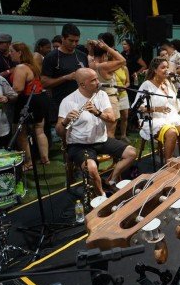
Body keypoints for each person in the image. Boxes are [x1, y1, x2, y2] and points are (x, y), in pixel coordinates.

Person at [56, 68, 137, 197]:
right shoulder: (68, 101)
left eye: (97, 78)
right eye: (93, 80)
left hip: (101, 139)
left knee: (131, 153)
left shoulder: (101, 95)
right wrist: (65, 121)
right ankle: (101, 196)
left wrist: (97, 113)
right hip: (80, 144)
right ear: (82, 84)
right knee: (92, 169)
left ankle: (111, 180)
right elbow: (59, 131)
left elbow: (111, 120)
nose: (98, 82)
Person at [137, 58, 180, 159]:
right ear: (155, 70)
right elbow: (139, 107)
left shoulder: (167, 83)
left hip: (171, 117)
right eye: (163, 67)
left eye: (167, 67)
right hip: (154, 119)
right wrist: (157, 108)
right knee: (171, 132)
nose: (166, 70)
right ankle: (169, 162)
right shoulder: (146, 85)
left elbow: (175, 101)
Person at [10, 42, 50, 169]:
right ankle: (45, 158)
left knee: (21, 133)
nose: (10, 54)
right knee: (39, 130)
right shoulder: (33, 65)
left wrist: (6, 96)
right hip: (39, 98)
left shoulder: (21, 67)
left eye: (12, 51)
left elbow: (18, 88)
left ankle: (28, 162)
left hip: (27, 100)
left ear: (19, 53)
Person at [42, 23, 89, 110]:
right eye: (71, 41)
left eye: (77, 41)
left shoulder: (82, 56)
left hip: (82, 103)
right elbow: (44, 83)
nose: (74, 44)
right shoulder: (52, 57)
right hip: (61, 104)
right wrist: (65, 77)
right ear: (62, 38)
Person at [89, 38, 126, 139]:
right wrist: (107, 47)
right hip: (109, 99)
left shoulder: (90, 64)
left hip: (96, 99)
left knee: (100, 130)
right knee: (110, 131)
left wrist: (92, 48)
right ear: (104, 55)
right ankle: (109, 153)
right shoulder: (103, 66)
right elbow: (123, 61)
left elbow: (90, 55)